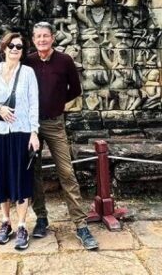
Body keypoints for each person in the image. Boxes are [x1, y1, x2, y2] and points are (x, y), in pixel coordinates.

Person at [24, 21, 99, 250]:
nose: (42, 40)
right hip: (31, 124)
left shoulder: (64, 60)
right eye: (38, 37)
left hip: (55, 123)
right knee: (33, 173)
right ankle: (41, 218)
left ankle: (80, 224)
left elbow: (75, 90)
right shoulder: (28, 61)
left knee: (67, 172)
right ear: (34, 39)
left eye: (46, 36)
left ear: (53, 38)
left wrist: (57, 103)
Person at [0, 31, 40, 251]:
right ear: (3, 48)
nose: (15, 50)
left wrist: (34, 133)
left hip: (21, 131)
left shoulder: (28, 73)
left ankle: (23, 225)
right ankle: (6, 221)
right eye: (12, 46)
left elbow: (34, 104)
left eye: (19, 47)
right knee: (2, 178)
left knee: (21, 179)